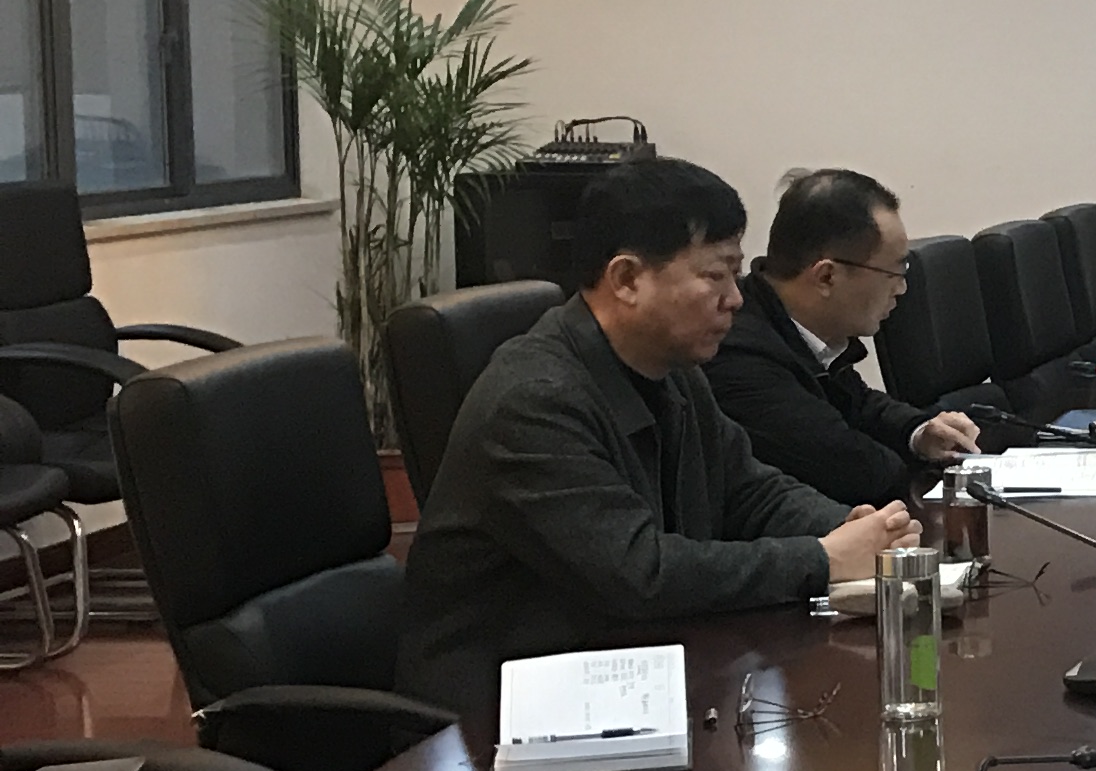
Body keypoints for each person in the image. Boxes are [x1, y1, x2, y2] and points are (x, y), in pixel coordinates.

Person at [399, 159, 918, 720]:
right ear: (627, 280)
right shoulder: (533, 401)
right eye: (714, 276)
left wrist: (852, 528)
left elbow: (747, 489)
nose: (736, 299)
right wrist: (821, 558)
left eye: (735, 274)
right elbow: (640, 573)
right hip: (503, 713)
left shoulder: (672, 371)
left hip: (626, 675)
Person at [706, 166, 981, 505]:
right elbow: (855, 472)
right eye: (893, 272)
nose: (902, 288)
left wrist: (920, 433)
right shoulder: (739, 355)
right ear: (826, 277)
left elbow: (860, 404)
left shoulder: (798, 328)